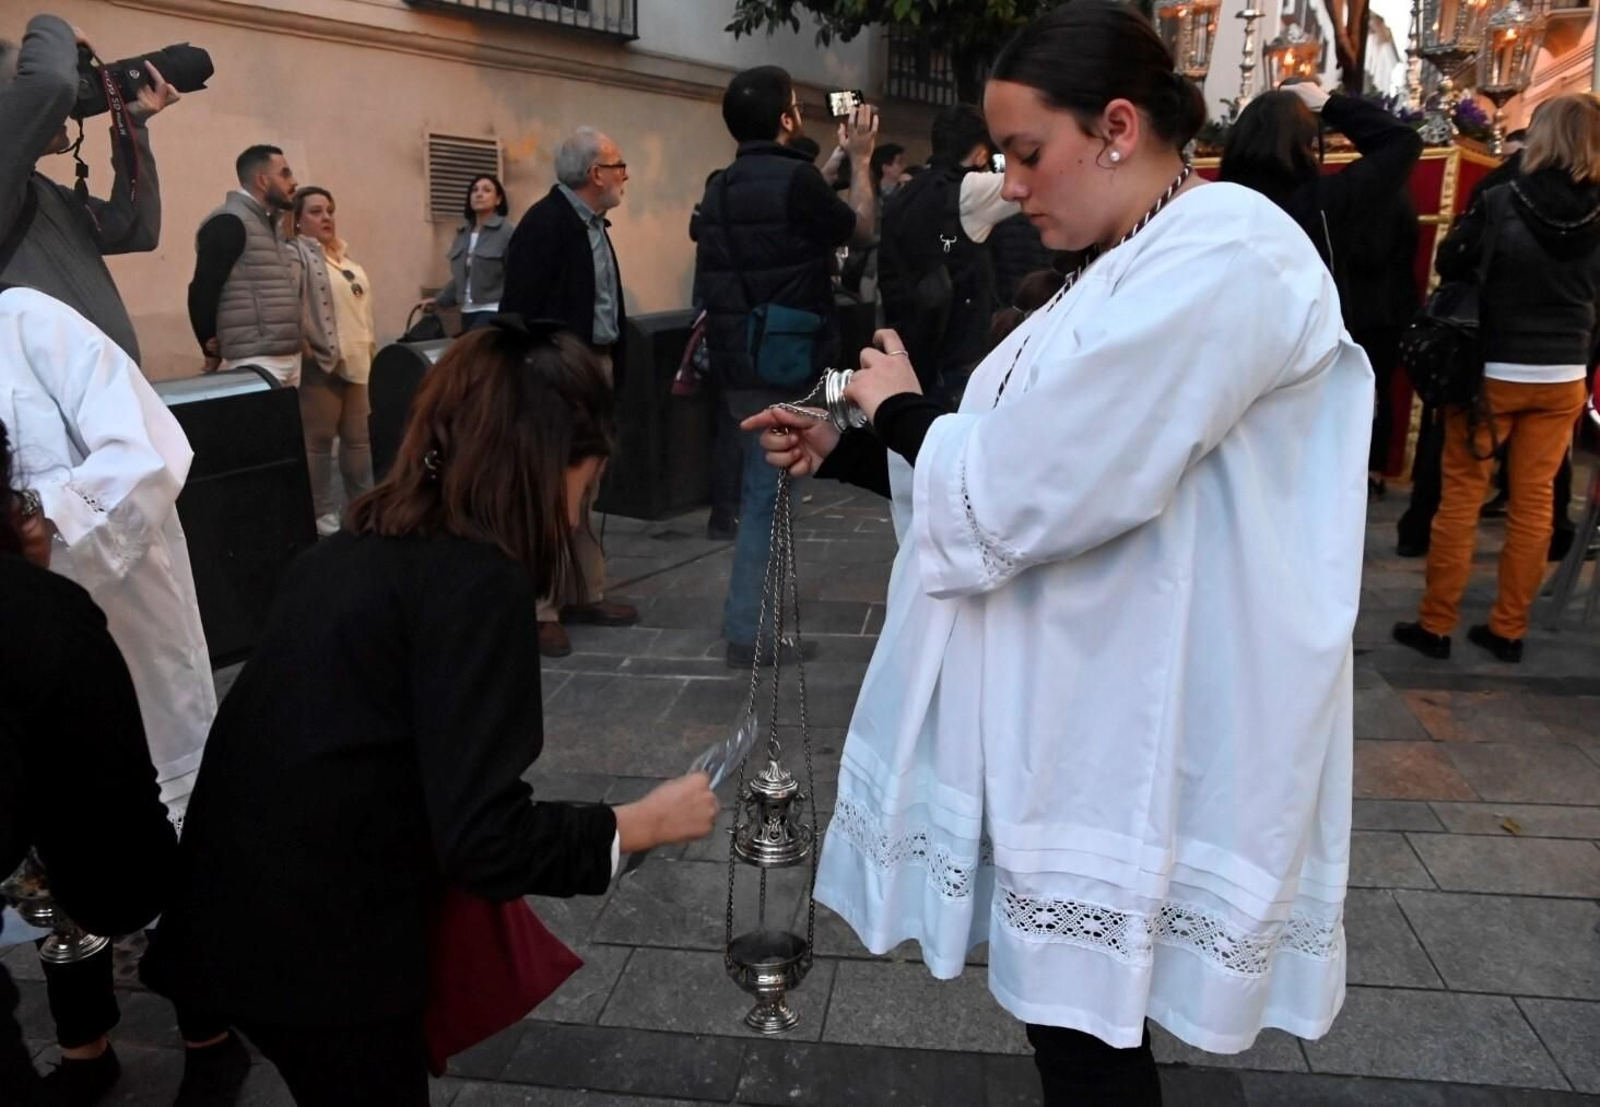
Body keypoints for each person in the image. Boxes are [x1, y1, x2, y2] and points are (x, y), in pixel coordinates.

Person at [743, 4, 1372, 1102]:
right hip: (1079, 695)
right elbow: (1016, 453)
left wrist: (892, 412)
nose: (1014, 186)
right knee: (1070, 1027)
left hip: (1143, 712)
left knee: (1087, 1039)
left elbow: (1056, 479)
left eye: (1028, 155)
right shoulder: (1136, 254)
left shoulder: (1230, 253)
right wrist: (851, 449)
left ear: (1117, 127)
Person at [141, 321, 720, 1104]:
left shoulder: (354, 545)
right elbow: (486, 838)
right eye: (588, 480)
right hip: (322, 953)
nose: (581, 509)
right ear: (549, 464)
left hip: (231, 918)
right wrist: (638, 823)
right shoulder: (476, 583)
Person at [0, 286, 239, 1105]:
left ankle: (212, 1036)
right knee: (42, 859)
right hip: (17, 661)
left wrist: (43, 521)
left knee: (163, 836)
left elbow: (146, 449)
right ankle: (84, 1047)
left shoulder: (29, 322)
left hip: (123, 639)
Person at [1, 418, 181, 1106]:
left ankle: (110, 1044)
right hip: (67, 822)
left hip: (67, 824)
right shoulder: (43, 607)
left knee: (85, 876)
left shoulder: (44, 608)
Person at [1393, 95, 1600, 665]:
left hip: (1493, 371)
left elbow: (1452, 262)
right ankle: (1509, 628)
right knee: (1536, 505)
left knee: (1460, 497)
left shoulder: (1504, 200)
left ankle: (1436, 624)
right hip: (1564, 375)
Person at [693, 66, 879, 668]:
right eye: (795, 105)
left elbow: (792, 200)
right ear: (785, 119)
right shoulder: (794, 182)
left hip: (737, 359)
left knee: (761, 489)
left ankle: (752, 624)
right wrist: (865, 161)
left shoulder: (721, 184)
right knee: (769, 499)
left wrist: (834, 158)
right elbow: (862, 227)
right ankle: (748, 633)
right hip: (787, 355)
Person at [1220, 82, 1422, 497]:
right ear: (1303, 144)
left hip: (1230, 362)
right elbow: (1401, 141)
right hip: (1302, 366)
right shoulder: (1326, 201)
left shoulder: (1213, 201)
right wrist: (1330, 105)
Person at [501, 127, 639, 658]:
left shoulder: (593, 225)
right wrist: (546, 375)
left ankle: (583, 591)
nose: (624, 176)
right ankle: (540, 608)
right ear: (594, 174)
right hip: (558, 375)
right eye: (618, 165)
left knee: (586, 488)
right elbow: (521, 310)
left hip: (593, 368)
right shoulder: (546, 224)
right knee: (550, 491)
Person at [0, 14, 179, 365]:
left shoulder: (42, 192)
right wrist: (55, 27)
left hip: (103, 399)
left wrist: (134, 124)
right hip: (49, 410)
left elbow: (135, 230)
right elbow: (51, 84)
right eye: (23, 74)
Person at [878, 103, 1022, 400]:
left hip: (912, 346)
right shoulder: (971, 190)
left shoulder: (906, 193)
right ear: (982, 153)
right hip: (959, 350)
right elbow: (1031, 183)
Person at [287, 186, 376, 537]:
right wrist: (304, 343)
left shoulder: (346, 259)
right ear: (297, 220)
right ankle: (322, 514)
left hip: (359, 361)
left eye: (329, 210)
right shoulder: (297, 254)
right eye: (315, 211)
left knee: (359, 442)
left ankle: (363, 509)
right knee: (318, 443)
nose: (326, 218)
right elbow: (292, 301)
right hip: (323, 362)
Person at [188, 144, 303, 384]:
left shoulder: (270, 224)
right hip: (256, 360)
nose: (294, 182)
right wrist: (208, 342)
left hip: (288, 356)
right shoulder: (229, 222)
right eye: (285, 174)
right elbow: (203, 288)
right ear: (262, 181)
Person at [419, 174, 513, 333]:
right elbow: (463, 277)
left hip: (494, 311)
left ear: (498, 199)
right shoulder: (463, 234)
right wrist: (439, 299)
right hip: (467, 311)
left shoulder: (506, 232)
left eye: (487, 190)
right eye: (474, 190)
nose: (479, 194)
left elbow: (517, 273)